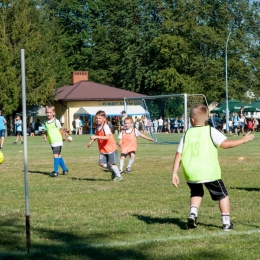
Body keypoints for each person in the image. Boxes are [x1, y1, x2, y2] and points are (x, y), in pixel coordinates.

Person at [171, 104, 254, 231]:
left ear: (192, 120)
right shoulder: (210, 130)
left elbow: (178, 155)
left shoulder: (187, 133)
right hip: (208, 171)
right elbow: (225, 144)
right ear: (206, 119)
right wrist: (243, 140)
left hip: (190, 172)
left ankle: (193, 214)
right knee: (223, 195)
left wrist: (174, 173)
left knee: (196, 192)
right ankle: (226, 223)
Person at [87, 110, 122, 182]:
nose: (97, 120)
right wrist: (91, 142)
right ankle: (114, 170)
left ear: (104, 119)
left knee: (111, 164)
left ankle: (119, 176)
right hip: (103, 149)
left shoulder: (105, 126)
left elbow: (107, 137)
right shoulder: (97, 126)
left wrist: (96, 137)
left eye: (100, 118)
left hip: (110, 148)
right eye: (96, 118)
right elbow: (97, 135)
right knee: (101, 164)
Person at [43, 104, 69, 177]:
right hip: (52, 142)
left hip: (58, 141)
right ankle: (65, 169)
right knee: (58, 156)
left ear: (54, 113)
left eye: (50, 112)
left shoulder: (56, 121)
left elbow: (61, 130)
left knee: (55, 155)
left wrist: (63, 137)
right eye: (47, 112)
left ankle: (55, 172)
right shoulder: (46, 122)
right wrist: (45, 136)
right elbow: (47, 130)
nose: (48, 114)